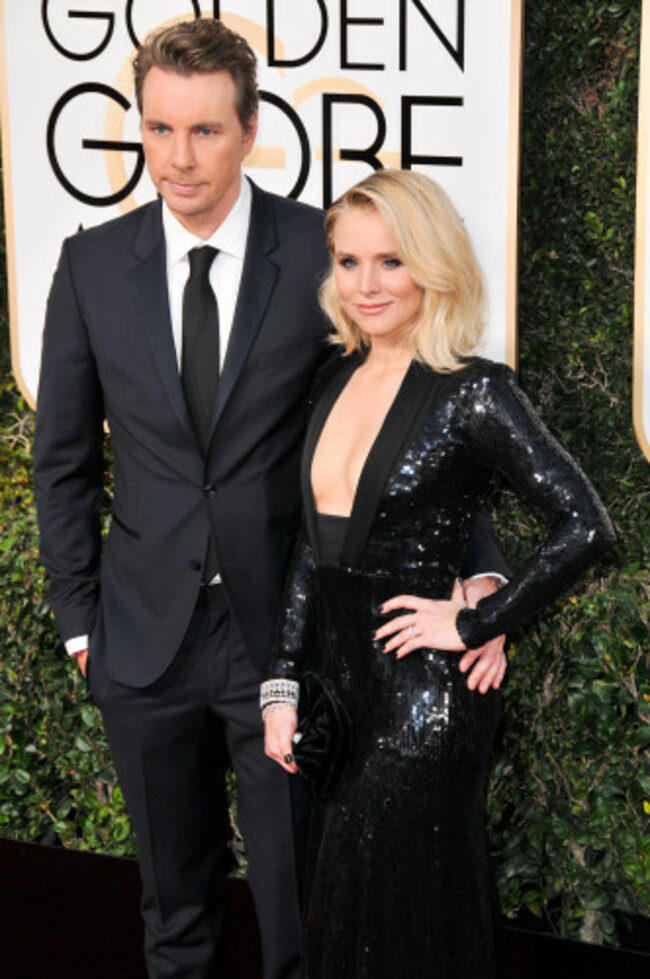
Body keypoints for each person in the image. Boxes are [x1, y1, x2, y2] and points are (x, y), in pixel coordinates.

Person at [32, 20, 507, 979]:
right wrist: (82, 623)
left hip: (284, 640)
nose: (178, 158)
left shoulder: (321, 251)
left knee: (301, 912)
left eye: (205, 131)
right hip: (140, 639)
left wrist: (482, 575)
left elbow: (410, 413)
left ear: (251, 129)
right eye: (159, 129)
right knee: (174, 911)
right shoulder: (91, 266)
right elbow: (64, 460)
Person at [263, 169, 615, 978]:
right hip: (341, 705)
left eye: (391, 261)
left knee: (404, 922)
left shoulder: (476, 393)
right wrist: (282, 686)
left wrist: (477, 620)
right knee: (344, 909)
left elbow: (586, 524)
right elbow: (314, 549)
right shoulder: (332, 376)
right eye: (348, 262)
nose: (366, 284)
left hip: (426, 704)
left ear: (432, 263)